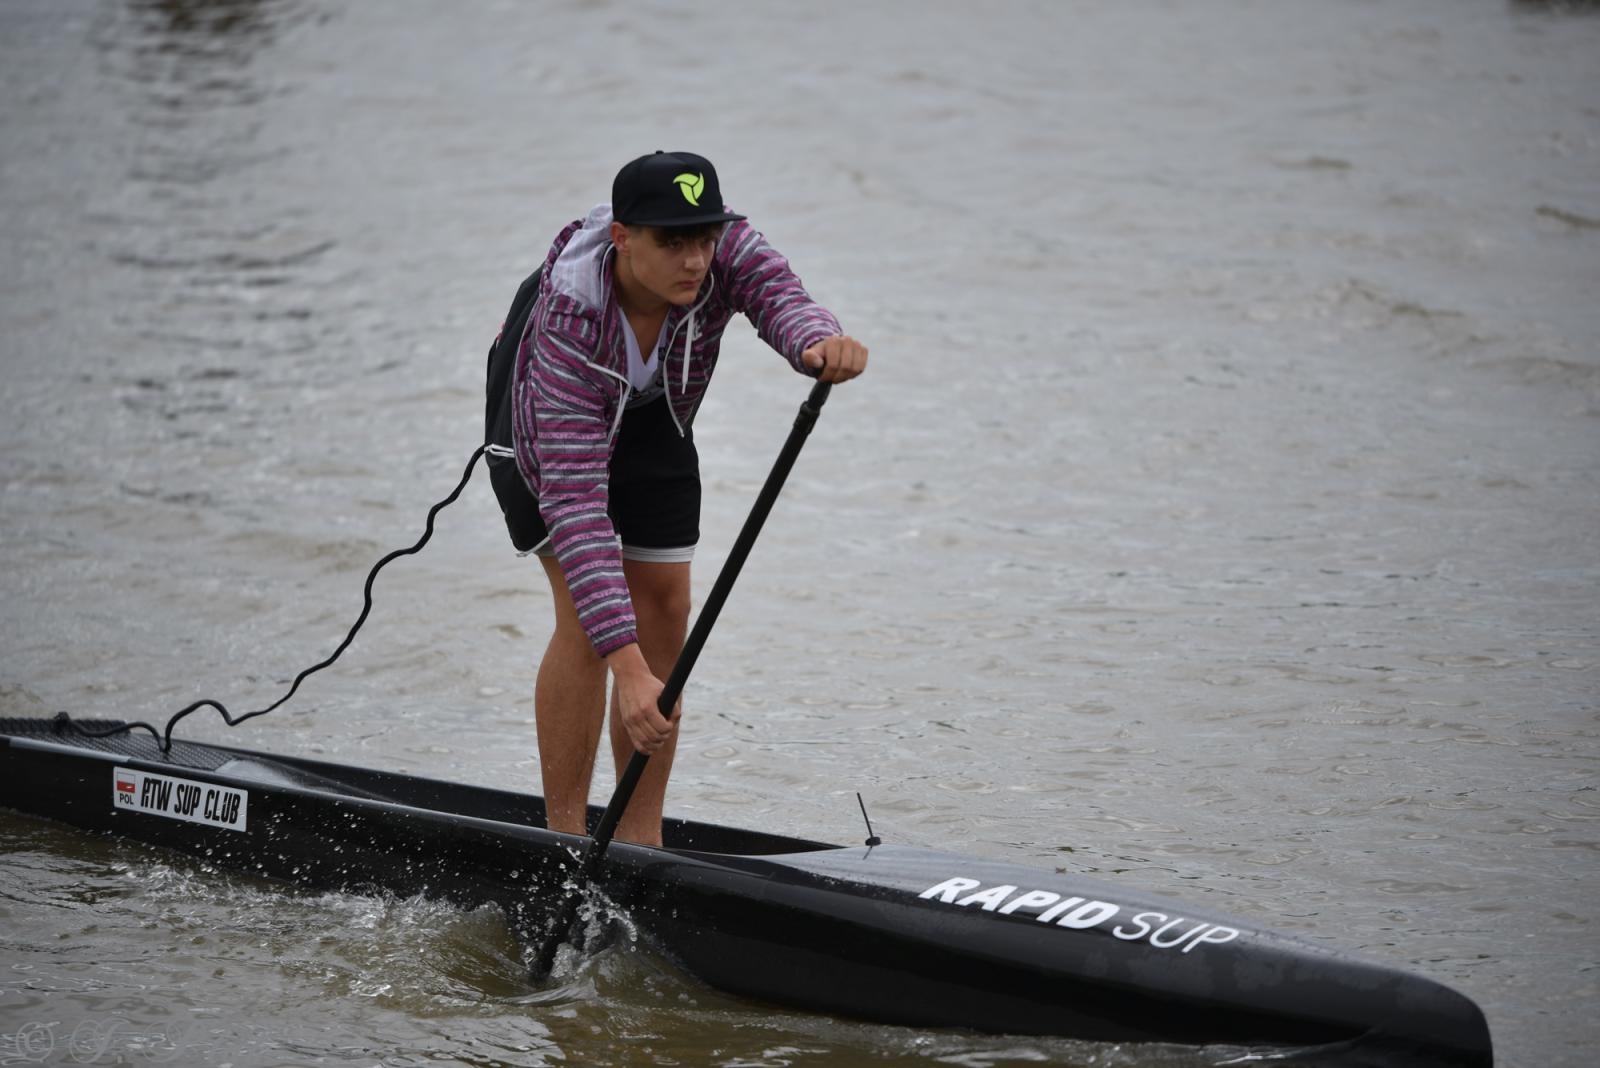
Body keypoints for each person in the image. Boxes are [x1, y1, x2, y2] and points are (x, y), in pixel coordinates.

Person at [507, 151, 867, 846]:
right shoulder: (570, 318)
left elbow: (779, 296)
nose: (696, 259)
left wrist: (816, 342)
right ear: (622, 239)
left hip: (654, 420)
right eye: (673, 242)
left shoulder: (723, 251)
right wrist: (628, 666)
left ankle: (639, 843)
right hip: (548, 430)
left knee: (667, 614)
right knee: (590, 624)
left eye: (704, 238)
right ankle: (563, 842)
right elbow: (579, 513)